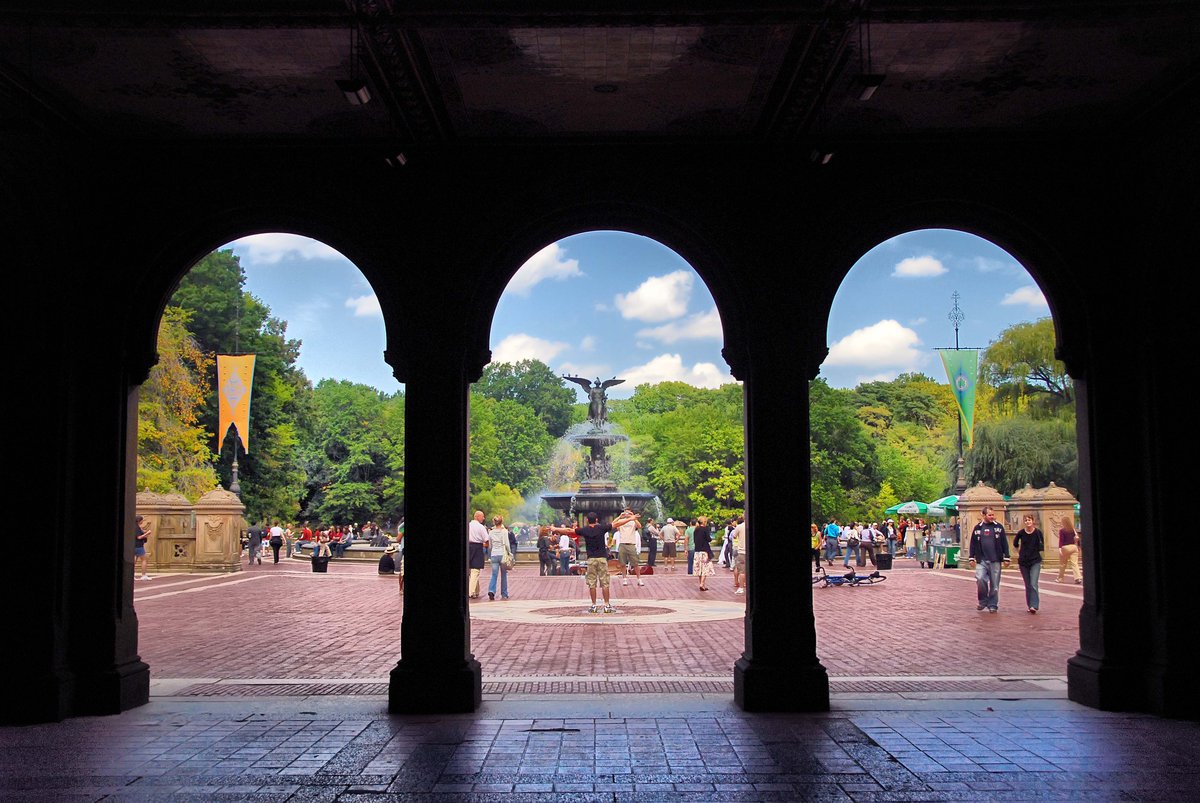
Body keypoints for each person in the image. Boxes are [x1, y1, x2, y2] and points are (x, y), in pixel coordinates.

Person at [550, 514, 616, 613]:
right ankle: (607, 605)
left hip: (591, 559)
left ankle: (594, 605)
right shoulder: (602, 528)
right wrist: (630, 518)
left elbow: (568, 531)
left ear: (587, 520)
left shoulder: (585, 530)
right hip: (602, 558)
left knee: (592, 583)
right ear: (596, 519)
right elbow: (615, 524)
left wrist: (554, 528)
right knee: (605, 583)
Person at [968, 506, 1011, 613]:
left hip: (995, 560)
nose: (992, 517)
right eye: (989, 515)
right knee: (980, 578)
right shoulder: (978, 528)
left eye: (993, 514)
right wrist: (971, 557)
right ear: (983, 515)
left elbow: (1004, 543)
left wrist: (1007, 557)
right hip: (981, 559)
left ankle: (993, 604)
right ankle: (983, 600)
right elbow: (972, 543)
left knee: (995, 585)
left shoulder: (999, 527)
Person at [1012, 514, 1045, 614]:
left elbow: (1041, 545)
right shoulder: (1021, 533)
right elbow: (1015, 544)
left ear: (1033, 521)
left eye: (1029, 520)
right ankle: (1030, 604)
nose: (1028, 522)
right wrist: (1020, 552)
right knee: (1028, 584)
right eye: (1026, 520)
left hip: (1035, 560)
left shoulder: (1038, 532)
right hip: (1023, 562)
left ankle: (1034, 605)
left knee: (1033, 583)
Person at [612, 508, 644, 587]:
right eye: (625, 512)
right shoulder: (621, 522)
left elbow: (640, 526)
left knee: (635, 563)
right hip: (622, 544)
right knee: (622, 563)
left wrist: (633, 517)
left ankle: (639, 579)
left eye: (628, 512)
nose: (627, 514)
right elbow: (613, 523)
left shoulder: (633, 521)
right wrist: (620, 516)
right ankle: (624, 579)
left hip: (631, 544)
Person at [487, 515, 512, 601]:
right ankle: (504, 593)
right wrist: (510, 553)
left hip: (494, 554)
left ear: (494, 522)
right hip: (502, 555)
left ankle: (491, 590)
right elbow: (507, 544)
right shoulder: (504, 531)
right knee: (504, 575)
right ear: (502, 522)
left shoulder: (491, 532)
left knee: (494, 574)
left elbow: (490, 545)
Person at [468, 510, 488, 599]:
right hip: (478, 547)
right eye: (482, 516)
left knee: (471, 570)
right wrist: (486, 545)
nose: (483, 518)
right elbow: (486, 539)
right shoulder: (481, 527)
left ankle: (476, 591)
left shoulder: (468, 525)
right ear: (477, 517)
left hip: (468, 547)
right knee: (475, 570)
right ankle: (471, 592)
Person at [1056, 517, 1082, 585]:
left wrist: (1059, 549)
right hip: (1074, 547)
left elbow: (1061, 541)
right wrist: (1079, 546)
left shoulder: (1062, 530)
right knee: (1074, 563)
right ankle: (1078, 578)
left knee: (1063, 564)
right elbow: (1077, 538)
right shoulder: (1073, 530)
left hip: (1066, 548)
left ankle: (1060, 578)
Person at [693, 516, 714, 591]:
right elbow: (708, 539)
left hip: (697, 551)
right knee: (705, 568)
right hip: (704, 551)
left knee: (699, 569)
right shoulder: (705, 529)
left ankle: (702, 584)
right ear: (704, 522)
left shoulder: (696, 529)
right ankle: (702, 584)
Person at [730, 516, 746, 594]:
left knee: (742, 571)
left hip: (742, 551)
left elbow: (734, 536)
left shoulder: (739, 527)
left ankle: (741, 587)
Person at [134, 515, 153, 580]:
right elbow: (138, 537)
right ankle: (143, 575)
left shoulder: (135, 527)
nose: (143, 521)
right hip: (138, 546)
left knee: (134, 561)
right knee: (144, 560)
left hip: (134, 545)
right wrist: (147, 533)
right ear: (139, 521)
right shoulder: (136, 527)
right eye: (142, 520)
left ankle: (132, 575)